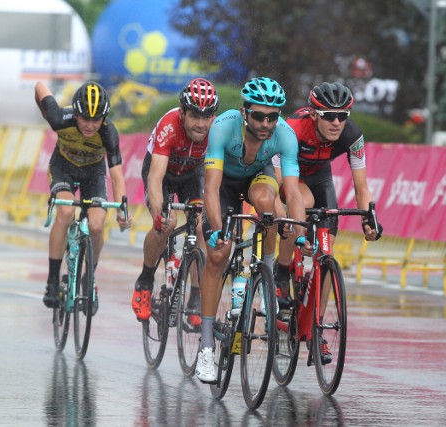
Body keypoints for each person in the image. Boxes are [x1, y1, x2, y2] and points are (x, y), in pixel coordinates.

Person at [194, 77, 308, 383]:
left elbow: (294, 193)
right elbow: (212, 186)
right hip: (224, 185)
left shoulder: (284, 135)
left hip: (259, 177)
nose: (266, 123)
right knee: (219, 254)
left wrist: (300, 235)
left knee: (267, 204)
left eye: (272, 117)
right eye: (259, 115)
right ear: (245, 113)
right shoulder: (224, 126)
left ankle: (266, 273)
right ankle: (206, 346)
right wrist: (218, 231)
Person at [272, 81, 382, 364]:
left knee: (327, 253)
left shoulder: (352, 135)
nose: (336, 123)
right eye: (329, 116)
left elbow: (361, 186)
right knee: (300, 206)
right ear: (313, 114)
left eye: (342, 116)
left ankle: (316, 328)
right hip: (288, 174)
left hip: (320, 176)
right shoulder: (292, 130)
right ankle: (283, 272)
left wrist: (369, 218)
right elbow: (280, 182)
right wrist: (294, 221)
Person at [35, 80, 133, 313]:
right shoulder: (59, 119)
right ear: (76, 113)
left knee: (97, 225)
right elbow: (39, 86)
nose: (90, 126)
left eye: (96, 120)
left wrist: (122, 209)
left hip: (93, 173)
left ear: (104, 118)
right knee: (66, 211)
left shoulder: (109, 132)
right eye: (84, 119)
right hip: (63, 167)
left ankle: (89, 278)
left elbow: (117, 176)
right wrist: (44, 113)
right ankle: (52, 280)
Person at [131, 78, 219, 326]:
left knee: (203, 226)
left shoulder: (217, 130)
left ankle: (196, 297)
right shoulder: (169, 126)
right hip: (165, 175)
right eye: (194, 116)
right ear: (182, 113)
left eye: (207, 116)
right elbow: (155, 178)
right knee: (167, 225)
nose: (201, 124)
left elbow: (217, 177)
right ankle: (145, 281)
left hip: (192, 175)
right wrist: (160, 214)